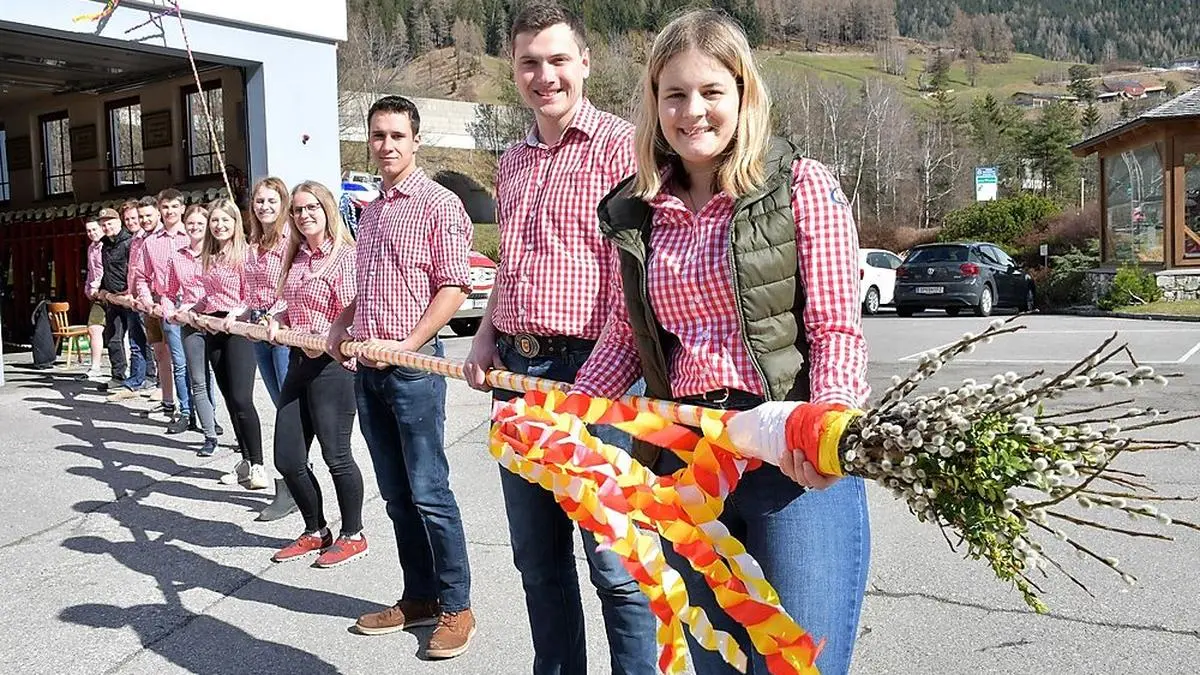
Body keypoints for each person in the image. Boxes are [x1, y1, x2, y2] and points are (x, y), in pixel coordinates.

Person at [570, 10, 871, 675]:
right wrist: (568, 410)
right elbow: (625, 337)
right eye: (674, 94)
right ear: (654, 104)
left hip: (787, 463)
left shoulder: (800, 186)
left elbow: (834, 327)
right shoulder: (635, 211)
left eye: (711, 92)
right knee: (716, 662)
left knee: (798, 665)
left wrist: (830, 419)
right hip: (686, 468)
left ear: (743, 94)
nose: (693, 111)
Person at [460, 5, 657, 673]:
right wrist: (487, 336)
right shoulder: (511, 161)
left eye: (557, 60)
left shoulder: (624, 147)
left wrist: (592, 384)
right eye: (529, 63)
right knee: (538, 563)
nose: (545, 76)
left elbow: (629, 286)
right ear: (515, 70)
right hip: (517, 377)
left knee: (617, 566)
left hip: (595, 375)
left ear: (585, 63)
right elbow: (513, 265)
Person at [325, 95, 475, 658]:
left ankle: (457, 606)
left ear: (416, 140)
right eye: (378, 136)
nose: (386, 146)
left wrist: (406, 347)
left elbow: (453, 286)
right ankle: (419, 597)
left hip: (412, 372)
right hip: (367, 372)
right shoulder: (371, 209)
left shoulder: (439, 204)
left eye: (396, 136)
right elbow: (367, 291)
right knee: (395, 495)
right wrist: (342, 325)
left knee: (430, 491)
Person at [266, 181, 366, 567]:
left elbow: (355, 314)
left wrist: (325, 339)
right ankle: (315, 529)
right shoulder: (297, 258)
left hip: (333, 366)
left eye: (312, 208)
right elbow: (286, 304)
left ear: (327, 210)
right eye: (297, 210)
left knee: (336, 455)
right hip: (299, 362)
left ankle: (353, 534)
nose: (304, 215)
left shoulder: (344, 256)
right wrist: (276, 318)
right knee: (288, 458)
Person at [177, 198, 268, 489]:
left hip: (238, 327)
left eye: (224, 220)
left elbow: (251, 294)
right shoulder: (210, 255)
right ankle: (244, 458)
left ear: (235, 222)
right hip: (214, 327)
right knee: (229, 398)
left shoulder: (245, 253)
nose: (219, 226)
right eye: (215, 221)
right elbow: (210, 294)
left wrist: (237, 312)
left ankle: (259, 465)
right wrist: (193, 310)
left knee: (242, 397)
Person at [244, 176, 299, 522]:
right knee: (279, 403)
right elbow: (249, 286)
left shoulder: (290, 240)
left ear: (283, 204)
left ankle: (290, 482)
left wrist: (274, 315)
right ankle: (295, 479)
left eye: (271, 201)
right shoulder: (253, 243)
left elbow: (293, 284)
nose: (264, 207)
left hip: (285, 331)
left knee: (287, 410)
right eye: (259, 201)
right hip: (260, 332)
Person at [160, 205, 222, 457]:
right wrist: (170, 311)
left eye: (200, 223)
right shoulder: (177, 256)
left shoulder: (219, 254)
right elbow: (167, 291)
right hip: (190, 322)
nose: (195, 228)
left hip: (216, 321)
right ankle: (208, 434)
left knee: (226, 382)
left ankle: (237, 433)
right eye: (191, 224)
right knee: (197, 379)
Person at [132, 189, 191, 432]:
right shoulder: (150, 243)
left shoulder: (194, 234)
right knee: (177, 361)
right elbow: (141, 276)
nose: (169, 212)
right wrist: (147, 301)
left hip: (195, 306)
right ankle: (183, 410)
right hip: (167, 306)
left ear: (182, 208)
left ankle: (206, 417)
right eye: (165, 207)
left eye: (174, 207)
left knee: (198, 365)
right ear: (160, 210)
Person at [106, 199, 156, 397]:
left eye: (135, 217)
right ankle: (137, 379)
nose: (132, 222)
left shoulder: (146, 239)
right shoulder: (134, 240)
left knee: (152, 342)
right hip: (133, 297)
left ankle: (154, 380)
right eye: (127, 219)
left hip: (148, 297)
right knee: (136, 341)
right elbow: (132, 271)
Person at [98, 208, 135, 387]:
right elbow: (105, 270)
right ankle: (118, 375)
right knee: (113, 337)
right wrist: (103, 290)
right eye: (103, 224)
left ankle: (146, 376)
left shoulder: (129, 242)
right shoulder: (104, 244)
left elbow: (134, 269)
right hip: (112, 298)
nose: (107, 227)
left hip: (129, 296)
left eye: (110, 223)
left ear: (119, 222)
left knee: (138, 339)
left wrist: (130, 290)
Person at [82, 218, 108, 382]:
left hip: (110, 290)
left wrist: (97, 285)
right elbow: (92, 271)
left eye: (94, 229)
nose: (92, 233)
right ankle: (96, 366)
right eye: (89, 230)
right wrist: (88, 287)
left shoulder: (107, 246)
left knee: (121, 332)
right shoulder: (91, 248)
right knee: (94, 328)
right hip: (96, 295)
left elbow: (105, 270)